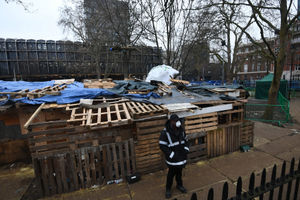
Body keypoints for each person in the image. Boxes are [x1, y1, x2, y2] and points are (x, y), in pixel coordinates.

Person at [159, 114, 189, 199]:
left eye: (177, 121)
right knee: (171, 174)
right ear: (171, 122)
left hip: (181, 157)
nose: (177, 123)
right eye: (175, 121)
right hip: (172, 159)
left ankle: (179, 185)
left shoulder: (181, 130)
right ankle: (168, 189)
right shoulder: (165, 132)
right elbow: (162, 146)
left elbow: (186, 141)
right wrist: (172, 155)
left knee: (179, 173)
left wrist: (186, 149)